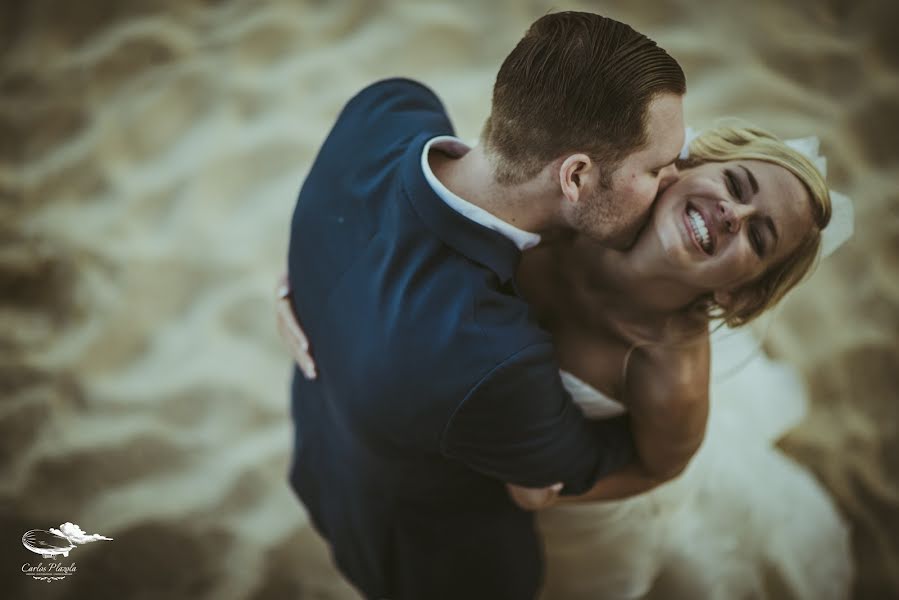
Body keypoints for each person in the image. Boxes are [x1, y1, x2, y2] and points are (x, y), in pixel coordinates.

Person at [280, 127, 854, 598]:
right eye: (736, 183)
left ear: (740, 294)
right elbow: (446, 203)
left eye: (759, 235)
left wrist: (558, 492)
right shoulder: (576, 203)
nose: (735, 212)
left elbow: (658, 468)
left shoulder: (668, 380)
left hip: (551, 506)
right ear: (686, 165)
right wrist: (307, 276)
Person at [282, 11, 686, 600]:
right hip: (430, 561)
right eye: (656, 168)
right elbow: (589, 461)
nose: (674, 181)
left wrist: (288, 284)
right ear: (574, 176)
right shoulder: (492, 355)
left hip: (323, 454)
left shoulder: (387, 105)